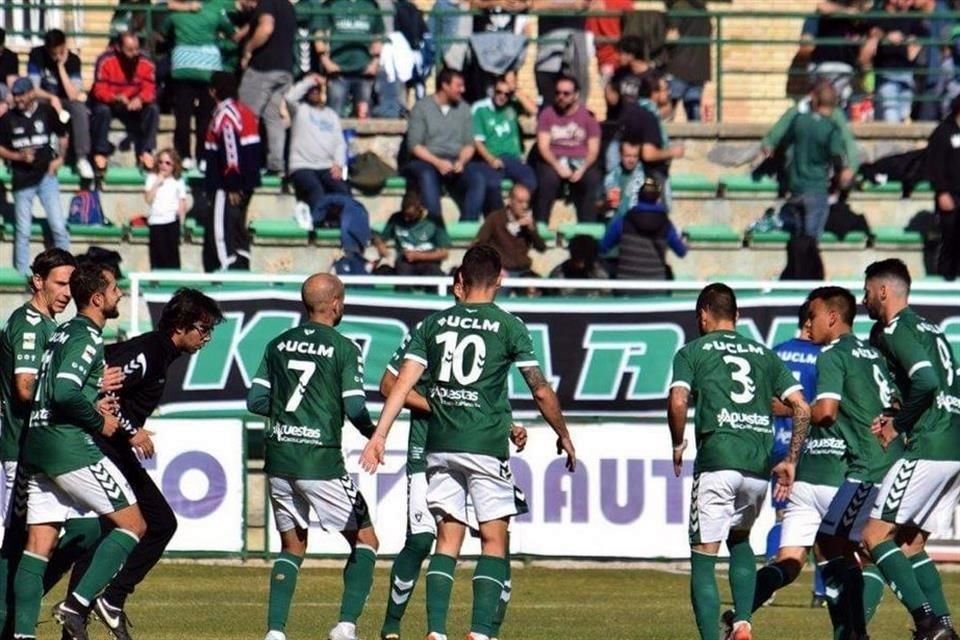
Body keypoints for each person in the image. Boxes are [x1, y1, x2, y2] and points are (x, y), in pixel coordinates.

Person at [360, 244, 577, 640]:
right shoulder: (509, 325)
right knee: (494, 539)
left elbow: (400, 384)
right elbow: (541, 390)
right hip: (483, 445)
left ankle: (437, 632)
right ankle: (479, 632)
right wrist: (563, 433)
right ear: (500, 279)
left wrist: (380, 434)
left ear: (461, 279)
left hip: (440, 446)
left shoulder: (433, 324)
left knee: (447, 540)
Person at [61, 288, 224, 640]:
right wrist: (133, 431)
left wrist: (132, 422)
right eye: (202, 328)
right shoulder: (151, 349)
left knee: (105, 533)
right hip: (103, 446)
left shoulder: (160, 353)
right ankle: (110, 600)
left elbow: (111, 369)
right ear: (180, 325)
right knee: (159, 523)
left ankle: (77, 620)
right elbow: (107, 387)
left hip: (110, 445)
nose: (206, 337)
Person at [377, 269, 528, 640]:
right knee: (424, 539)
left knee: (494, 537)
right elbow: (387, 383)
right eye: (456, 285)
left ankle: (487, 629)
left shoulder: (491, 333)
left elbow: (484, 398)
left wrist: (510, 424)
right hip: (428, 448)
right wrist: (441, 407)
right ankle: (394, 627)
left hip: (475, 442)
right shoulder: (430, 330)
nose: (460, 291)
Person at [12, 261, 146, 640]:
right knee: (134, 524)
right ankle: (78, 604)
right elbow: (65, 391)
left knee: (39, 546)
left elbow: (60, 387)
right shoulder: (86, 335)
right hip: (66, 444)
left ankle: (22, 636)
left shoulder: (61, 332)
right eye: (115, 288)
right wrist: (98, 421)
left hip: (36, 444)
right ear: (98, 297)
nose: (120, 293)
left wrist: (95, 401)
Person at [667, 283, 810, 640]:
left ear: (702, 315)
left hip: (719, 459)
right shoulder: (764, 354)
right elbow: (802, 408)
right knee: (741, 538)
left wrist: (677, 442)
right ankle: (743, 623)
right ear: (737, 316)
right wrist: (791, 459)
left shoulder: (692, 351)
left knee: (703, 556)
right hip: (758, 467)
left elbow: (678, 401)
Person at [247, 273, 380, 640]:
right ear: (336, 303)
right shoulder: (345, 348)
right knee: (366, 541)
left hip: (278, 459)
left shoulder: (277, 344)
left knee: (292, 546)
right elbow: (355, 407)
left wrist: (292, 416)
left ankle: (275, 633)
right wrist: (375, 433)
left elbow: (255, 401)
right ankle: (346, 626)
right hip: (319, 460)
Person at [860, 258, 960, 640]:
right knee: (911, 544)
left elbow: (928, 380)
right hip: (954, 442)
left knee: (873, 537)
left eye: (867, 290)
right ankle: (945, 629)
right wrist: (897, 411)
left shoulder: (897, 327)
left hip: (930, 446)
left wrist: (897, 425)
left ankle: (927, 623)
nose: (864, 298)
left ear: (883, 291)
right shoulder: (931, 330)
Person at [0, 249, 83, 635]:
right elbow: (25, 386)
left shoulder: (50, 324)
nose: (67, 291)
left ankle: (18, 616)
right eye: (60, 283)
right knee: (14, 544)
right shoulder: (30, 324)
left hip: (44, 450)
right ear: (38, 281)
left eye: (71, 283)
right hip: (20, 451)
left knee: (44, 540)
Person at [762, 301, 827, 609]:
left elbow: (764, 400)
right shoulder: (824, 356)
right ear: (809, 322)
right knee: (820, 522)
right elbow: (824, 408)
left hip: (778, 445)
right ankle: (822, 592)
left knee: (782, 517)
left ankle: (768, 584)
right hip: (812, 446)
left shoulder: (776, 352)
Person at [0, 76, 70, 275]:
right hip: (22, 180)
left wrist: (61, 159)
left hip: (46, 177)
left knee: (58, 225)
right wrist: (18, 156)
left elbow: (63, 134)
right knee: (23, 230)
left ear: (31, 93)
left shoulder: (46, 112)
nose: (17, 99)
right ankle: (22, 274)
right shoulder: (7, 119)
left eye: (21, 94)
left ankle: (65, 270)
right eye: (15, 95)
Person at [766, 82, 851, 240]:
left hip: (796, 188)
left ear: (815, 100)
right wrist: (843, 176)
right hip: (816, 189)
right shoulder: (831, 129)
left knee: (797, 239)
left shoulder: (799, 121)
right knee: (810, 243)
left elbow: (782, 144)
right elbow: (837, 159)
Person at [403, 68, 489, 222]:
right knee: (427, 175)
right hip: (426, 160)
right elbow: (414, 145)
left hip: (455, 161)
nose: (462, 90)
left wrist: (461, 162)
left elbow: (469, 144)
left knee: (478, 179)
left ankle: (467, 225)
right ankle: (435, 225)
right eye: (458, 86)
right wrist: (437, 162)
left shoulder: (464, 109)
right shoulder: (422, 107)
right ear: (445, 85)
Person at [163, 0, 236, 168]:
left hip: (183, 66)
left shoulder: (176, 13)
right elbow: (231, 32)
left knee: (183, 115)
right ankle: (203, 157)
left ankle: (184, 156)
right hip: (208, 68)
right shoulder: (218, 9)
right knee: (206, 117)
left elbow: (162, 32)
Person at [203, 71, 262, 272]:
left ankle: (225, 266)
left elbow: (231, 152)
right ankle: (242, 265)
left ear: (213, 91)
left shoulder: (225, 114)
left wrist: (233, 185)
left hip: (227, 184)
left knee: (221, 228)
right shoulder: (243, 111)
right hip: (246, 181)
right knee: (237, 228)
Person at [533, 75, 602, 223]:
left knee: (592, 180)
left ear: (576, 95)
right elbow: (543, 147)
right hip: (554, 159)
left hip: (581, 160)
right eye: (558, 93)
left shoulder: (588, 116)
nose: (561, 97)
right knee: (547, 180)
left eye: (566, 94)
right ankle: (540, 226)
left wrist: (582, 169)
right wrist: (558, 166)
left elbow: (593, 150)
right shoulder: (547, 114)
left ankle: (586, 231)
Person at [238, 0, 296, 175]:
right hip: (284, 69)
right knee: (273, 118)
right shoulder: (287, 6)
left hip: (263, 68)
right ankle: (276, 164)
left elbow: (266, 28)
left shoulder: (267, 3)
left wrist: (248, 49)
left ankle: (245, 163)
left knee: (246, 116)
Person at [27, 29, 94, 179]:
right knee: (34, 105)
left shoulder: (74, 60)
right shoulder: (37, 55)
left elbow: (73, 95)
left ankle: (82, 158)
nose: (57, 56)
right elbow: (33, 88)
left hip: (65, 101)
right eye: (53, 53)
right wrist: (51, 97)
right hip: (43, 97)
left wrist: (61, 67)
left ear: (65, 46)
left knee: (80, 108)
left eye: (60, 52)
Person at [285, 73, 351, 225]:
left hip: (327, 166)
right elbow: (289, 97)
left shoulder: (332, 115)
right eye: (311, 90)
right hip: (302, 167)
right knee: (316, 191)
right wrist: (311, 80)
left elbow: (340, 144)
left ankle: (341, 223)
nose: (314, 92)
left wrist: (339, 164)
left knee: (342, 190)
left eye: (317, 90)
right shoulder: (299, 110)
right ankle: (320, 224)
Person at [89, 32, 158, 172]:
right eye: (130, 50)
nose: (135, 53)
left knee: (153, 109)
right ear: (118, 48)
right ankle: (101, 152)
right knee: (102, 111)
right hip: (110, 103)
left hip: (133, 104)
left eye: (137, 49)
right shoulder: (105, 61)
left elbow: (150, 89)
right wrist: (115, 97)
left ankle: (146, 151)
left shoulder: (145, 62)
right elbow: (99, 90)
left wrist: (140, 98)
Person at [599, 177, 686, 283]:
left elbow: (603, 247)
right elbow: (681, 252)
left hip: (626, 286)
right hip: (656, 286)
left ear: (638, 197)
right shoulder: (666, 224)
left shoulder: (624, 221)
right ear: (658, 199)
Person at [471, 74, 537, 208]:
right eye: (499, 92)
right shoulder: (480, 108)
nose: (502, 96)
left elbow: (534, 110)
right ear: (492, 91)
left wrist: (516, 91)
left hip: (513, 159)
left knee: (530, 180)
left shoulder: (512, 106)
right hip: (491, 158)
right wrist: (491, 159)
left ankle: (516, 211)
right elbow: (477, 141)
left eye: (507, 94)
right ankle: (501, 219)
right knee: (493, 185)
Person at [313, 0, 385, 118]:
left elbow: (378, 35)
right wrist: (327, 63)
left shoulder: (371, 5)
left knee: (364, 116)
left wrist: (374, 63)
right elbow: (319, 34)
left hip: (364, 70)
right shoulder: (331, 4)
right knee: (334, 117)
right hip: (338, 70)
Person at [859, 0, 928, 123]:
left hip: (907, 76)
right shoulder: (877, 14)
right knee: (890, 114)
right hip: (885, 74)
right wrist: (886, 36)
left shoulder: (913, 17)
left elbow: (912, 51)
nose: (907, 2)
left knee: (904, 116)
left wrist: (904, 40)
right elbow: (871, 39)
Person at [373, 190, 451, 276]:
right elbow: (379, 237)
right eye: (404, 214)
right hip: (404, 262)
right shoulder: (396, 218)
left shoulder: (434, 221)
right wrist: (380, 246)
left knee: (433, 274)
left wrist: (419, 256)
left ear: (421, 210)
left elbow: (444, 253)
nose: (406, 219)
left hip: (429, 262)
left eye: (410, 216)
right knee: (402, 273)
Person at [474, 184, 546, 277]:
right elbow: (478, 245)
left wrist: (532, 230)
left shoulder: (528, 221)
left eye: (526, 202)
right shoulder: (495, 218)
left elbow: (541, 248)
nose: (524, 206)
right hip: (501, 271)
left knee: (537, 288)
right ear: (510, 201)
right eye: (520, 202)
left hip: (523, 270)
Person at [925, 95, 960, 280]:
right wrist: (942, 191)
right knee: (950, 239)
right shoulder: (943, 132)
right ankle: (947, 277)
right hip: (950, 195)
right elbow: (934, 165)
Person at [665, 0, 711, 122]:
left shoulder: (678, 7)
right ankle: (697, 139)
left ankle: (662, 139)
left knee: (667, 110)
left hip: (678, 67)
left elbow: (671, 36)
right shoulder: (703, 10)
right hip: (699, 69)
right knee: (693, 111)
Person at [144, 148, 189, 270]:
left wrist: (182, 219)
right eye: (161, 162)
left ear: (174, 166)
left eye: (168, 163)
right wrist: (157, 183)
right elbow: (148, 199)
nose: (164, 165)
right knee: (157, 257)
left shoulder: (178, 181)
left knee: (172, 258)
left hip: (172, 221)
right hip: (156, 221)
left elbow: (182, 202)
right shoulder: (152, 178)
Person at [604, 35, 653, 121]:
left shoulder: (652, 77)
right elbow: (613, 100)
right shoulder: (620, 73)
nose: (617, 57)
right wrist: (607, 81)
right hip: (620, 123)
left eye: (620, 53)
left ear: (631, 55)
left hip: (642, 124)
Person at [602, 139, 645, 219]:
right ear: (620, 155)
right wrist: (607, 203)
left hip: (637, 222)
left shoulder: (646, 176)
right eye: (628, 156)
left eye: (635, 156)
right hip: (615, 223)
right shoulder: (611, 177)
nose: (631, 160)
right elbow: (597, 204)